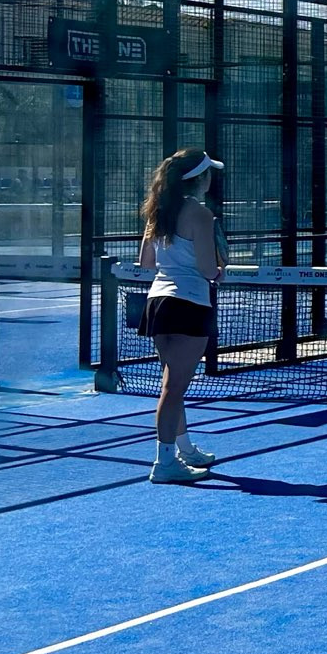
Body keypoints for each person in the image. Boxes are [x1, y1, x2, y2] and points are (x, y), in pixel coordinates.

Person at [137, 146, 225, 487]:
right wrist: (218, 271)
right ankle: (164, 463)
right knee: (174, 388)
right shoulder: (200, 214)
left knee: (173, 384)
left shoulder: (158, 210)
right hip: (188, 305)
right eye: (208, 172)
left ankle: (185, 450)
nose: (210, 178)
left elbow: (146, 262)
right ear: (199, 179)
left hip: (158, 303)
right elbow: (207, 269)